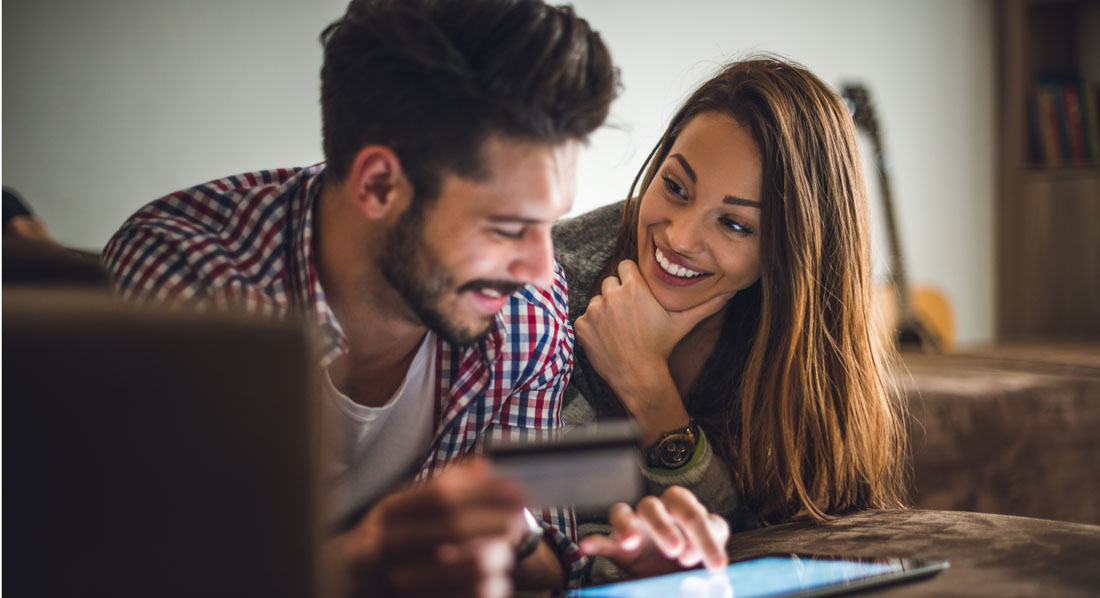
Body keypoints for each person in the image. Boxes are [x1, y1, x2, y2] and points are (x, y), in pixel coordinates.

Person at [102, 0, 727, 595]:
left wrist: (621, 570)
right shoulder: (189, 278)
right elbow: (152, 568)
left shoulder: (528, 314)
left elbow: (540, 550)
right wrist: (367, 560)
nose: (543, 267)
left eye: (547, 223)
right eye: (507, 227)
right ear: (379, 185)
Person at [554, 56, 910, 583]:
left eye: (735, 224)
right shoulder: (551, 283)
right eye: (675, 187)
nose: (678, 237)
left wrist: (649, 389)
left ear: (789, 254)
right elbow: (537, 524)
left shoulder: (802, 343)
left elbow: (784, 544)